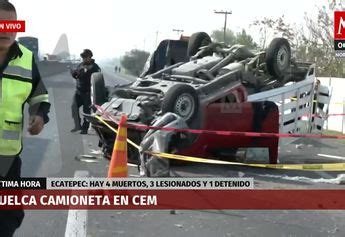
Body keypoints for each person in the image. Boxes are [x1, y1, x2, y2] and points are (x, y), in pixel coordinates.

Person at [0, 1, 50, 236]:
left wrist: (39, 115)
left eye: (11, 24)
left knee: (8, 215)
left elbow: (39, 94)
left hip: (7, 158)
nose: (6, 30)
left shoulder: (26, 59)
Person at [70, 49, 100, 134]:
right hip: (78, 91)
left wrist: (87, 72)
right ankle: (77, 125)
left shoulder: (95, 67)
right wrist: (73, 73)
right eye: (83, 57)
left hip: (87, 93)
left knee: (86, 111)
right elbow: (77, 75)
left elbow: (97, 80)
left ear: (90, 57)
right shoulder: (80, 65)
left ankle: (85, 128)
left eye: (86, 57)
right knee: (74, 108)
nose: (84, 59)